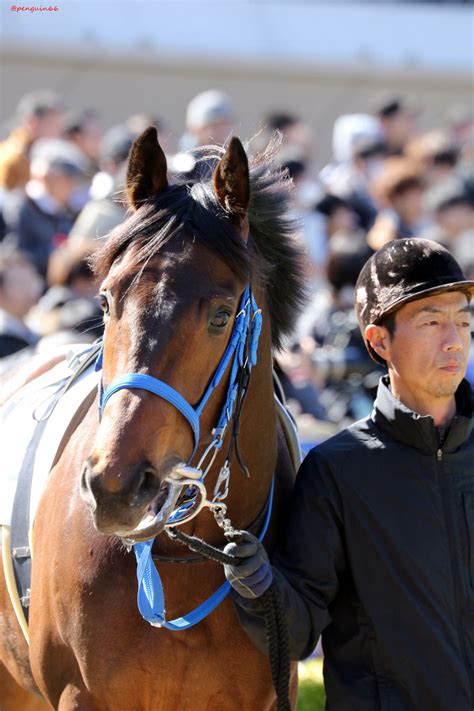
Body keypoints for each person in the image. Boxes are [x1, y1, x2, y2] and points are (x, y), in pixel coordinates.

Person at [224, 238, 474, 710]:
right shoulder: (338, 471)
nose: (453, 340)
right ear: (379, 341)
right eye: (431, 322)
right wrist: (256, 581)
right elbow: (295, 635)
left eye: (463, 321)